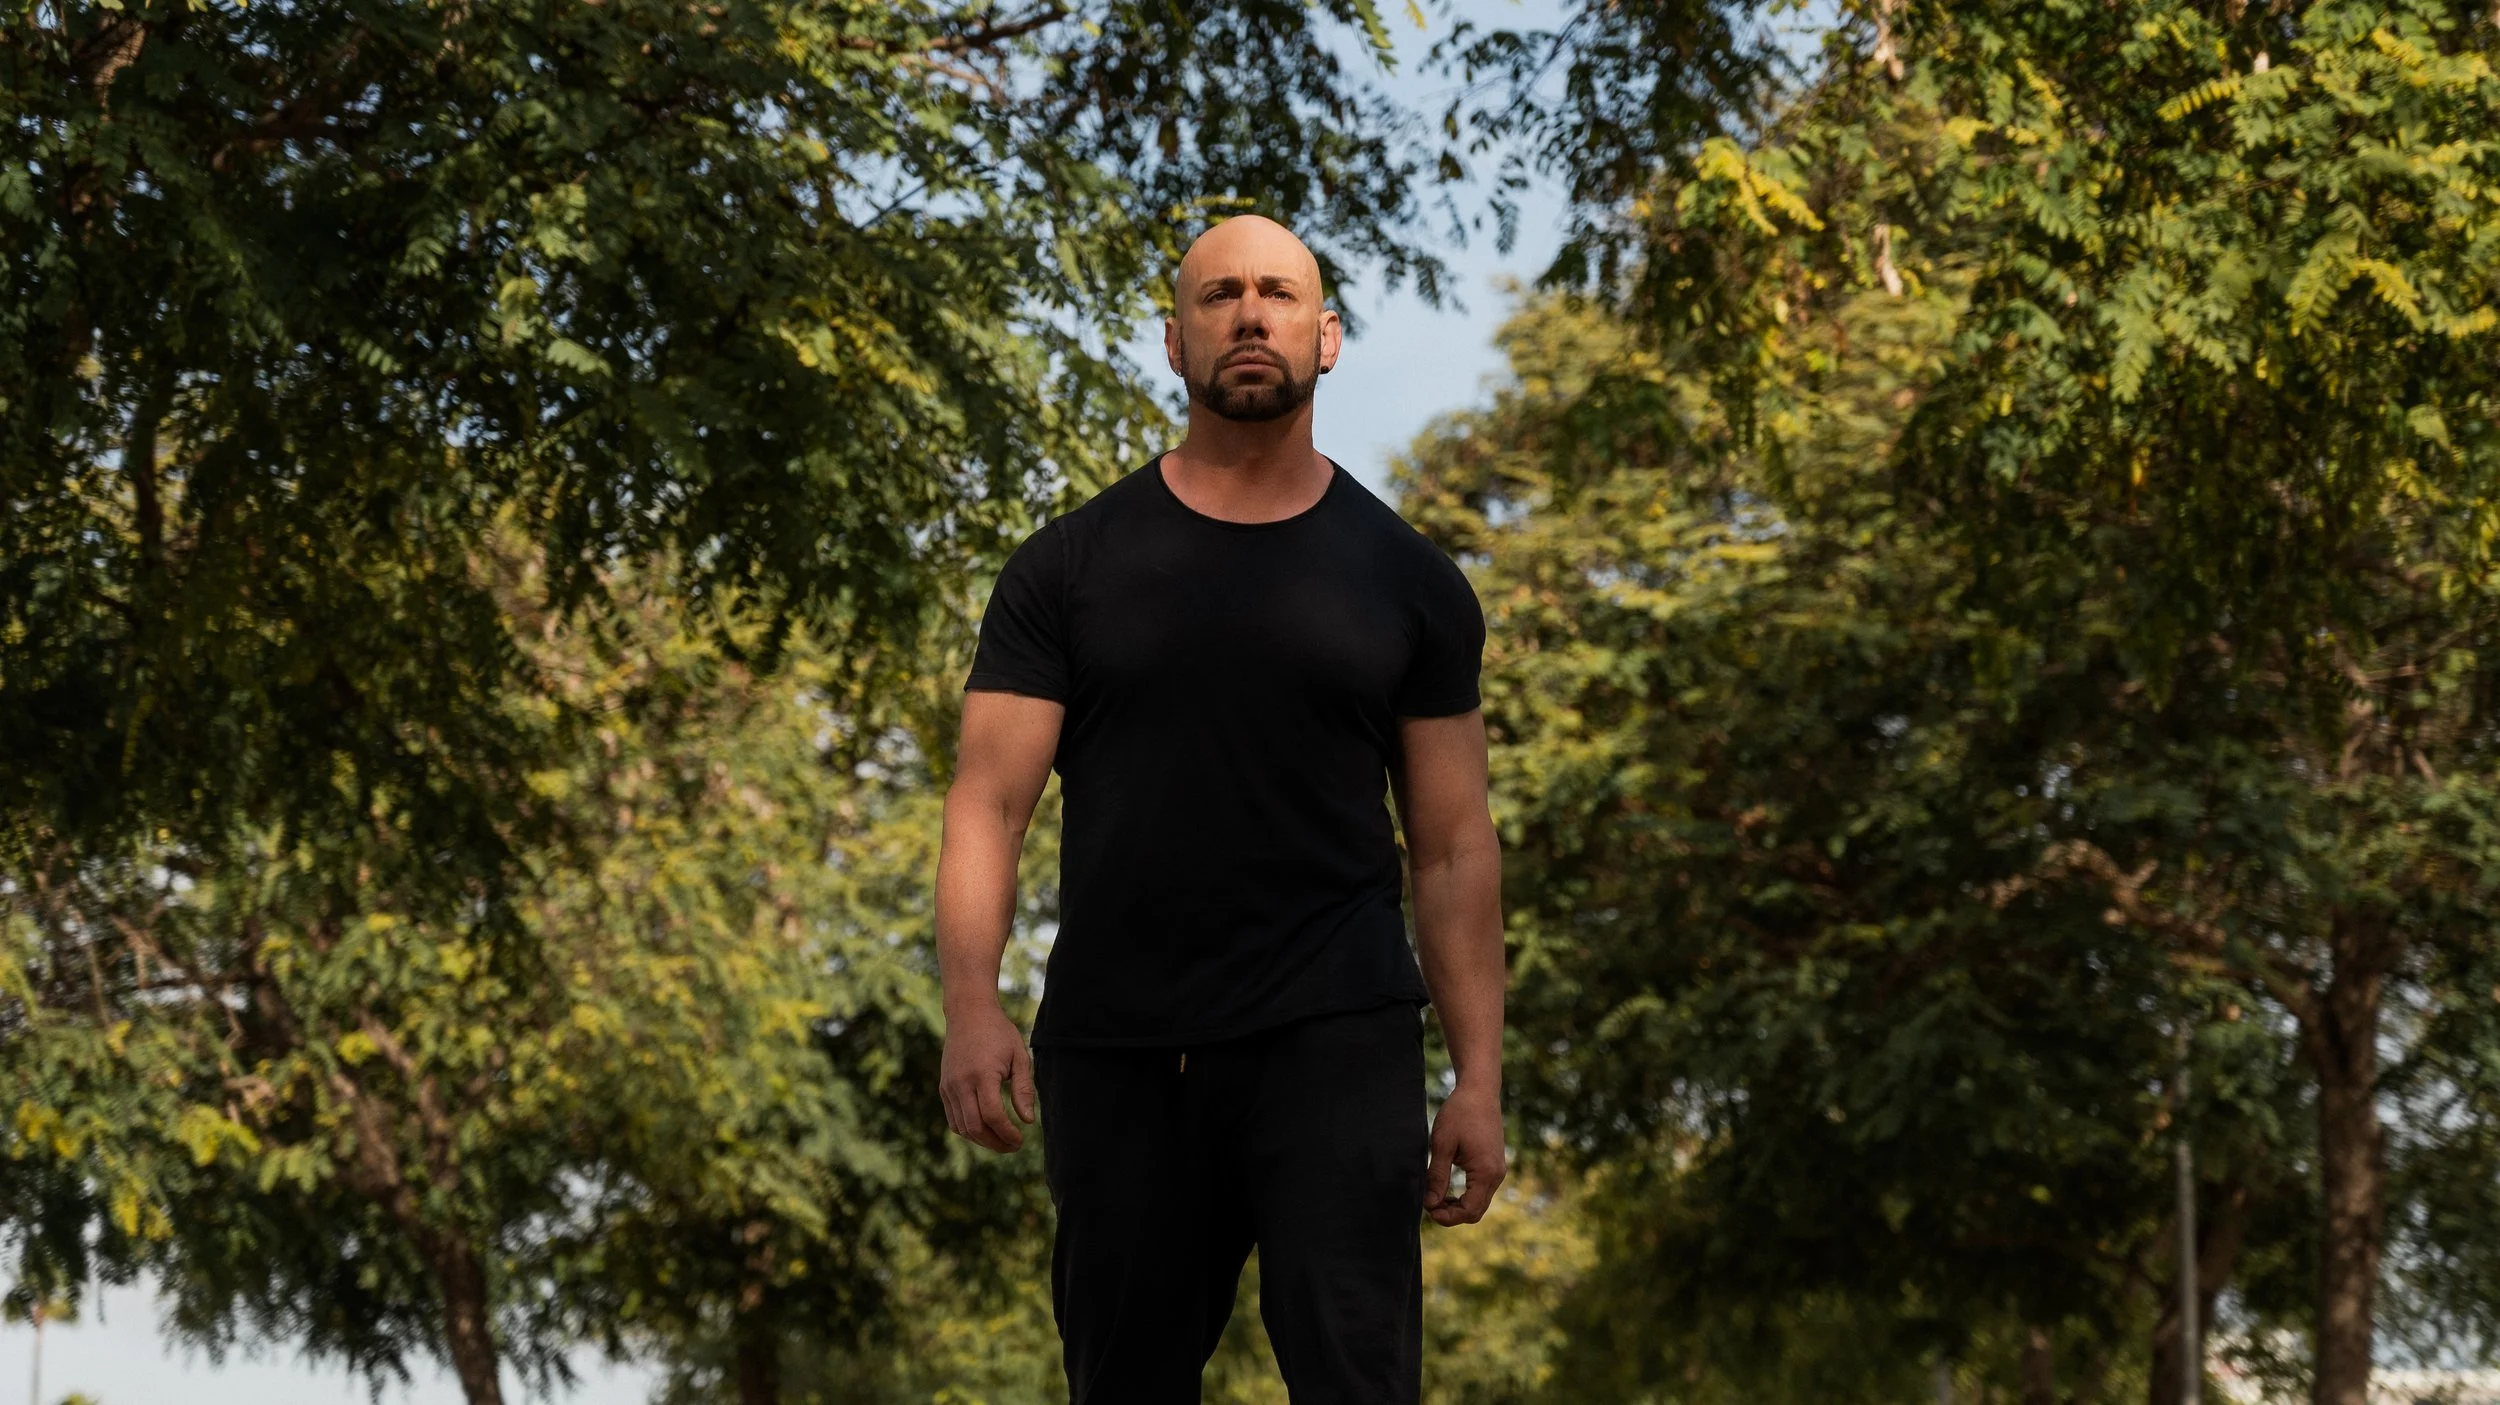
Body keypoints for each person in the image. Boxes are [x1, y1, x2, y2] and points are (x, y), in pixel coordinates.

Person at [933, 213, 1507, 1405]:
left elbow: (1453, 848)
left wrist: (1479, 1077)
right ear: (1173, 340)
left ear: (1326, 337)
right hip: (1121, 1049)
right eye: (1220, 295)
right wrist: (971, 1007)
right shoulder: (1063, 570)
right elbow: (988, 804)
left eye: (1279, 294)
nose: (1250, 315)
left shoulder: (1410, 582)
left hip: (1338, 1037)